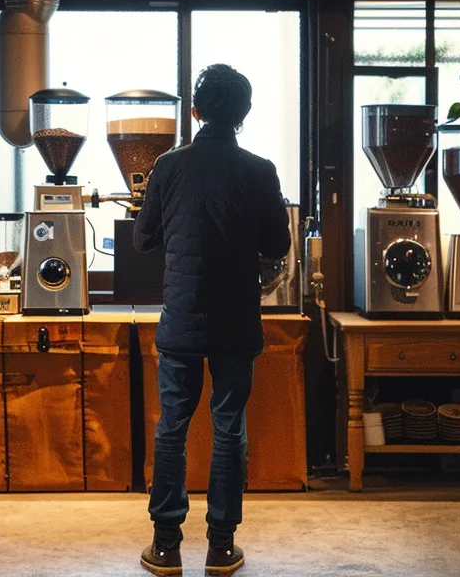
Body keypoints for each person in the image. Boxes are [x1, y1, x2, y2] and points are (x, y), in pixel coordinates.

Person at [133, 63, 291, 577]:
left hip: (180, 319)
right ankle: (221, 547)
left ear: (195, 110)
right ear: (244, 114)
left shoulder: (168, 166)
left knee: (172, 427)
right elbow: (278, 245)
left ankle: (165, 547)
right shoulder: (260, 169)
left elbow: (142, 239)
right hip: (237, 321)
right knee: (228, 428)